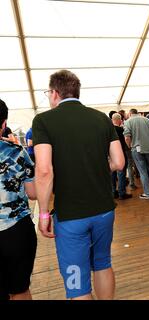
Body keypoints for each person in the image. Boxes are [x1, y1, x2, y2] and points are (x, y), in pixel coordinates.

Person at [32, 69, 125, 300]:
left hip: (71, 216)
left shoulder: (43, 120)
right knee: (102, 263)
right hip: (104, 210)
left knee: (78, 283)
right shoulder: (101, 117)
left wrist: (43, 214)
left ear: (54, 93)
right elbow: (119, 162)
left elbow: (44, 171)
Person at [0, 99, 37, 300]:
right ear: (4, 123)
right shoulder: (16, 152)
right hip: (16, 229)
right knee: (20, 288)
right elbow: (32, 193)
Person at [123, 108, 149, 199]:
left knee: (143, 171)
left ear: (130, 113)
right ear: (138, 113)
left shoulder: (128, 122)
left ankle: (147, 193)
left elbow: (127, 137)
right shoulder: (146, 119)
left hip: (136, 148)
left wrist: (130, 146)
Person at [111, 113, 132, 200]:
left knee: (112, 173)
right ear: (119, 120)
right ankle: (122, 193)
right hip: (121, 153)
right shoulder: (121, 129)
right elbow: (125, 140)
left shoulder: (108, 130)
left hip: (111, 154)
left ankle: (113, 192)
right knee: (121, 173)